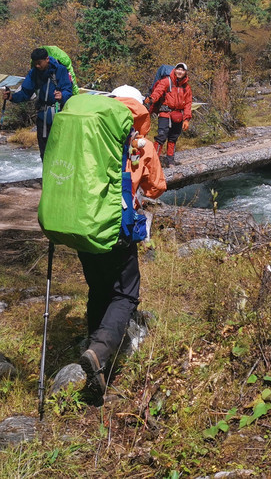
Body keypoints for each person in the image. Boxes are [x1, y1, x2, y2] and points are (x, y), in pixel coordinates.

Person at [77, 85, 166, 396]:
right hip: (117, 228)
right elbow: (156, 188)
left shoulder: (89, 135)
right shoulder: (143, 145)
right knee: (126, 293)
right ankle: (100, 353)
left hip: (84, 226)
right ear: (139, 109)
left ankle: (94, 363)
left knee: (99, 288)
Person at [4, 47, 74, 159]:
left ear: (47, 59)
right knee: (44, 152)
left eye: (39, 63)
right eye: (35, 63)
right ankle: (46, 175)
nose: (37, 66)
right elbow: (26, 92)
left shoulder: (60, 70)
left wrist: (62, 96)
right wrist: (12, 97)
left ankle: (59, 175)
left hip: (59, 116)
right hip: (42, 117)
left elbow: (68, 90)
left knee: (59, 150)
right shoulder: (34, 73)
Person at [144, 62, 192, 167]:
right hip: (165, 113)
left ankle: (170, 160)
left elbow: (188, 103)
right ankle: (154, 160)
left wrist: (187, 119)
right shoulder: (167, 81)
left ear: (185, 73)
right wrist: (152, 99)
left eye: (182, 70)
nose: (180, 71)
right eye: (178, 69)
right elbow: (158, 91)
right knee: (161, 136)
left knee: (173, 138)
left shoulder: (186, 87)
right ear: (174, 70)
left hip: (178, 115)